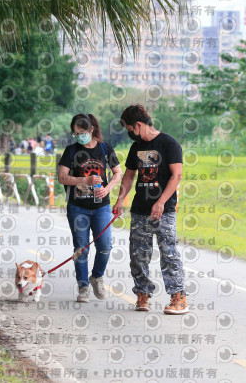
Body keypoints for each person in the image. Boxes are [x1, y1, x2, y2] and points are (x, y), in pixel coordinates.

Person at [112, 105, 188, 315]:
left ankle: (178, 297)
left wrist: (162, 202)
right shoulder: (136, 147)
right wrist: (120, 200)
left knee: (168, 253)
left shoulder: (168, 143)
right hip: (140, 210)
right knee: (138, 255)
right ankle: (143, 294)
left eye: (129, 128)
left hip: (164, 211)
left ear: (138, 125)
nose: (129, 133)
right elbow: (128, 176)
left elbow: (176, 176)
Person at [58, 114, 122, 302]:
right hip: (77, 207)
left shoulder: (104, 148)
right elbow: (62, 177)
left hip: (101, 206)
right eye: (76, 133)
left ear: (91, 130)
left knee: (105, 246)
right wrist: (83, 180)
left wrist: (108, 188)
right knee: (81, 248)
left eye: (82, 132)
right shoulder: (70, 151)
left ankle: (97, 276)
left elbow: (117, 172)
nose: (79, 136)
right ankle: (83, 286)